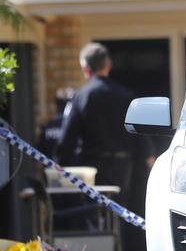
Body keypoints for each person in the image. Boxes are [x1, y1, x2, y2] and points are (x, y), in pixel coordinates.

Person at [55, 42, 154, 204]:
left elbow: (68, 137)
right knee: (118, 213)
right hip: (123, 167)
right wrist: (150, 157)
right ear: (108, 65)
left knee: (93, 212)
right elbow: (139, 131)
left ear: (85, 69)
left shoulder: (81, 96)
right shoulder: (125, 95)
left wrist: (60, 164)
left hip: (92, 167)